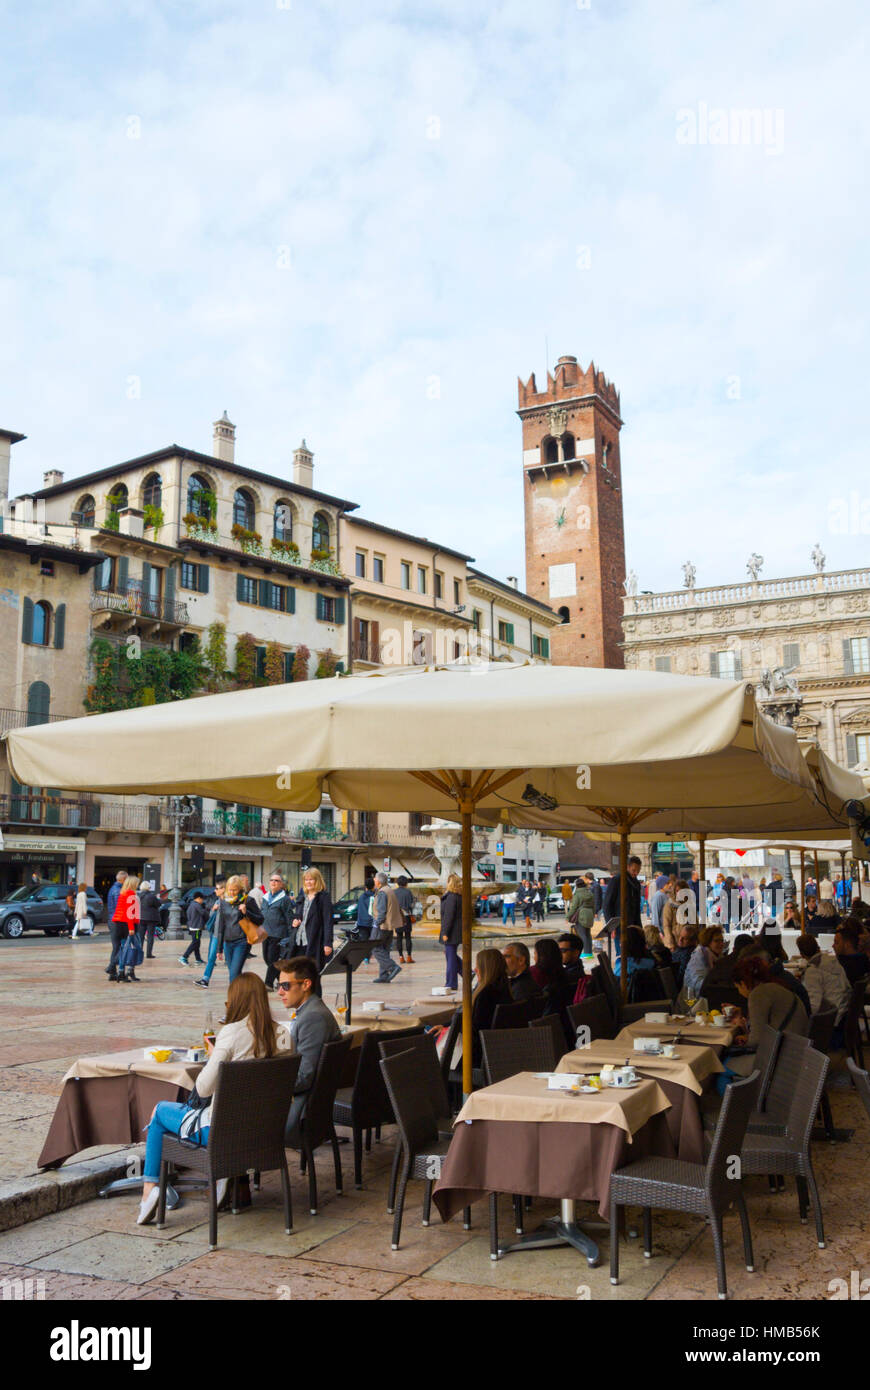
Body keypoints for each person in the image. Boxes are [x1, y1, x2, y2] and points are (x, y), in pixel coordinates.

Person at [136, 972, 290, 1225]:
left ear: (236, 1001)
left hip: (222, 1134)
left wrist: (215, 1054)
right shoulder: (282, 1034)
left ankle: (150, 1189)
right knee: (165, 1113)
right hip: (265, 1131)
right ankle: (219, 1180)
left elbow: (203, 1088)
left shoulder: (231, 1032)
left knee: (159, 1111)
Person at [277, 955, 342, 1134]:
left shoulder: (313, 1018)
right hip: (308, 1105)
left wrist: (269, 1083)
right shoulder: (311, 1012)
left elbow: (304, 1077)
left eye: (285, 986)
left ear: (306, 984)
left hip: (300, 1113)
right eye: (279, 986)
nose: (280, 992)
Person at [731, 955, 809, 1047]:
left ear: (743, 983)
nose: (739, 992)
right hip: (796, 1046)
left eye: (738, 987)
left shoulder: (758, 994)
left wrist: (741, 1043)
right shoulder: (774, 987)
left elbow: (756, 1040)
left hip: (784, 1052)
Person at [214, 874, 264, 984]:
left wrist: (247, 912)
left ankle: (233, 999)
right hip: (228, 942)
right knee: (234, 973)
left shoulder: (248, 900)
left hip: (242, 941)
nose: (231, 893)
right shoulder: (224, 902)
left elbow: (260, 919)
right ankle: (242, 994)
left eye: (235, 890)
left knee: (234, 974)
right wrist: (219, 949)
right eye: (230, 890)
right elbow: (221, 925)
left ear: (240, 889)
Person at [793, 934, 851, 1026]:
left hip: (830, 1020)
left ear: (802, 954)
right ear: (818, 947)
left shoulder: (813, 971)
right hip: (844, 1011)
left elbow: (814, 1006)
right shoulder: (833, 961)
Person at [468, 948, 512, 1067]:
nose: (475, 970)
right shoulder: (506, 990)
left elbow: (475, 1029)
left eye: (477, 966)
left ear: (484, 969)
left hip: (476, 1055)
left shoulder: (484, 995)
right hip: (499, 1051)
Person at [292, 868, 334, 972]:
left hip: (315, 941)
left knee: (313, 974)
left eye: (311, 879)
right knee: (300, 974)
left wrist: (327, 943)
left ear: (317, 880)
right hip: (299, 941)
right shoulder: (302, 896)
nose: (308, 882)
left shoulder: (323, 897)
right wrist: (295, 921)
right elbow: (298, 915)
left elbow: (328, 922)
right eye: (306, 880)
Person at [261, 872, 295, 989]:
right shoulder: (265, 898)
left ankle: (268, 984)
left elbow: (289, 917)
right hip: (266, 933)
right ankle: (283, 981)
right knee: (266, 958)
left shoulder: (284, 899)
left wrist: (291, 936)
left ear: (281, 885)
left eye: (277, 881)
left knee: (273, 960)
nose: (273, 882)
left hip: (278, 934)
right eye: (272, 880)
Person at [107, 875, 140, 982]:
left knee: (120, 948)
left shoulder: (123, 893)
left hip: (117, 923)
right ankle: (114, 967)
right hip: (126, 924)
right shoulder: (131, 894)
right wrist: (131, 928)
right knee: (129, 949)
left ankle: (118, 971)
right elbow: (130, 913)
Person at [370, 871, 401, 982]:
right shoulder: (389, 890)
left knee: (374, 947)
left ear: (378, 881)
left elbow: (381, 911)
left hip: (381, 926)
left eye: (374, 880)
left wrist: (376, 923)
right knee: (384, 949)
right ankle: (384, 976)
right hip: (389, 926)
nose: (373, 881)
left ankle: (392, 967)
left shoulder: (382, 892)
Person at [196, 877, 227, 988]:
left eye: (217, 888)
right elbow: (211, 917)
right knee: (211, 957)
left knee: (230, 960)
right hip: (216, 934)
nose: (215, 890)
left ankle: (236, 981)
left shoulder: (229, 901)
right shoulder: (217, 901)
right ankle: (205, 979)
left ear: (224, 889)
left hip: (227, 936)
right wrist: (213, 910)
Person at [613, 925, 659, 1000]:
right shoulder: (652, 962)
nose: (620, 945)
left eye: (621, 942)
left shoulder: (622, 965)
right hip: (651, 1002)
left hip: (629, 1005)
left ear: (627, 945)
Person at [683, 925, 726, 1000]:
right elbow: (698, 984)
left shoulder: (718, 956)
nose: (721, 944)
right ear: (708, 942)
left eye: (722, 940)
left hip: (708, 996)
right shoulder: (699, 956)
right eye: (716, 941)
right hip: (693, 1000)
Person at [602, 855, 642, 933]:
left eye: (638, 870)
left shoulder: (637, 883)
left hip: (633, 926)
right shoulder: (617, 880)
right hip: (619, 926)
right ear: (627, 867)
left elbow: (637, 908)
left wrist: (639, 927)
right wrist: (611, 926)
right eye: (634, 870)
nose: (636, 873)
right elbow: (607, 904)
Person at [440, 873, 462, 990]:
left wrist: (445, 933)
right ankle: (468, 973)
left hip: (451, 932)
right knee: (451, 955)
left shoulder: (451, 897)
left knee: (450, 957)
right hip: (456, 931)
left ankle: (451, 983)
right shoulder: (459, 896)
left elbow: (449, 916)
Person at [567, 876, 594, 954]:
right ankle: (589, 952)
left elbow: (574, 907)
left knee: (582, 935)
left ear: (577, 886)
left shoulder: (577, 894)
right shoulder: (590, 893)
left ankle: (585, 953)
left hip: (581, 915)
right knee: (588, 934)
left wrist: (567, 916)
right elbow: (593, 905)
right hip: (589, 914)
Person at [179, 890, 206, 966]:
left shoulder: (191, 905)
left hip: (192, 927)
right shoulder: (197, 905)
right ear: (198, 898)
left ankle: (198, 959)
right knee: (195, 943)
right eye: (202, 899)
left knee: (197, 943)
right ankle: (184, 957)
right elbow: (203, 913)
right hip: (196, 927)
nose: (202, 901)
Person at [394, 875, 416, 963]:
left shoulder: (394, 892)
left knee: (399, 937)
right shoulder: (408, 892)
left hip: (397, 917)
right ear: (406, 883)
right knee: (408, 937)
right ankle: (409, 957)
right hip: (406, 917)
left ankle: (400, 957)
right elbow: (412, 905)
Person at [138, 881, 162, 959]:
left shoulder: (138, 896)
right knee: (150, 936)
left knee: (140, 936)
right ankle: (149, 954)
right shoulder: (151, 896)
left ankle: (139, 952)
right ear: (148, 887)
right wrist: (158, 898)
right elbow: (158, 904)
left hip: (141, 918)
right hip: (151, 918)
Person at [670, 924, 699, 989]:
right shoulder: (680, 949)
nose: (680, 940)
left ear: (692, 941)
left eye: (684, 938)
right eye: (680, 936)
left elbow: (681, 975)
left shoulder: (688, 954)